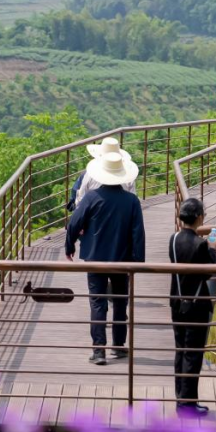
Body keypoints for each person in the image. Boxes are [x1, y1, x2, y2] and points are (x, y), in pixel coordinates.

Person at [65, 150, 145, 366]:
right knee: (120, 303)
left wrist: (69, 245)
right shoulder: (132, 201)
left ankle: (99, 351)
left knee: (98, 303)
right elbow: (138, 234)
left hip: (96, 258)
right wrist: (139, 262)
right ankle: (118, 347)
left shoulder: (91, 198)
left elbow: (74, 223)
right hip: (123, 259)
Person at [169, 198, 216, 417]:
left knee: (181, 350)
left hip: (177, 301)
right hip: (196, 305)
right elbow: (207, 272)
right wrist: (214, 249)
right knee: (193, 354)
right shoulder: (200, 245)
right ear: (199, 217)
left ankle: (181, 398)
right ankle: (187, 405)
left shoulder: (173, 239)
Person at [65, 137, 137, 213]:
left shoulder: (89, 174)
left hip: (94, 216)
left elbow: (80, 200)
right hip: (122, 217)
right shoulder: (128, 177)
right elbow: (133, 200)